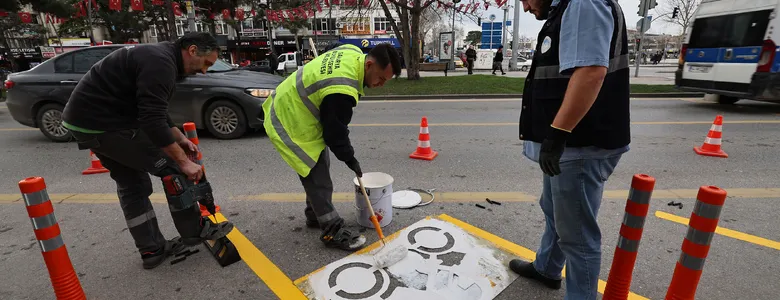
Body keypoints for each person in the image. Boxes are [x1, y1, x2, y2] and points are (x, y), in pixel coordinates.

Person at [61, 32, 234, 269]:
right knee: (173, 168)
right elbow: (151, 120)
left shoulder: (159, 57)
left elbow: (153, 107)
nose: (204, 71)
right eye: (206, 63)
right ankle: (195, 231)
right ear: (192, 50)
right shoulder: (162, 63)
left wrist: (179, 137)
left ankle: (152, 249)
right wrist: (183, 161)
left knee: (132, 184)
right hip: (106, 125)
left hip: (87, 124)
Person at [510, 0, 630, 299]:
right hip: (568, 145)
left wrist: (557, 134)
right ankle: (547, 268)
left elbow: (590, 72)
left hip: (578, 146)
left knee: (577, 236)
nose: (524, 8)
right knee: (555, 213)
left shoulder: (583, 2)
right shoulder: (565, 9)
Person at [263, 43, 402, 251]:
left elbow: (333, 48)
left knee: (321, 167)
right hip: (289, 118)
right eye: (381, 78)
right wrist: (351, 159)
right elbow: (335, 134)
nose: (381, 84)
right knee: (317, 173)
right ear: (370, 64)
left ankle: (315, 215)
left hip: (295, 104)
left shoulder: (354, 52)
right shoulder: (342, 89)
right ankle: (331, 229)